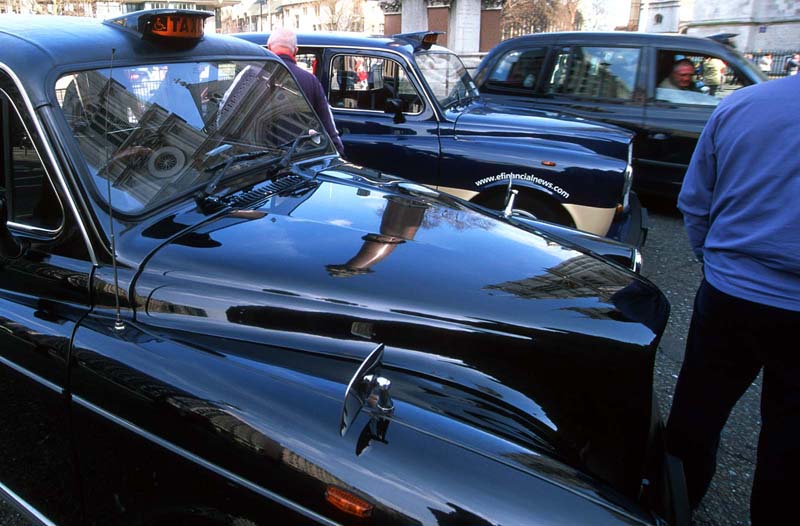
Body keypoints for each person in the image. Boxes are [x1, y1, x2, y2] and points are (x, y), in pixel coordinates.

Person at [666, 73, 800, 525]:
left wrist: (714, 259)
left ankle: (674, 506)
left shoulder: (741, 106)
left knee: (698, 410)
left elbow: (695, 200)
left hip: (732, 293)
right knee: (789, 437)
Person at [267, 28, 345, 156]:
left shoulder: (248, 76)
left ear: (269, 47)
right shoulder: (311, 81)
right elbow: (329, 128)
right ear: (296, 51)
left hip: (256, 165)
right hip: (297, 159)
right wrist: (339, 154)